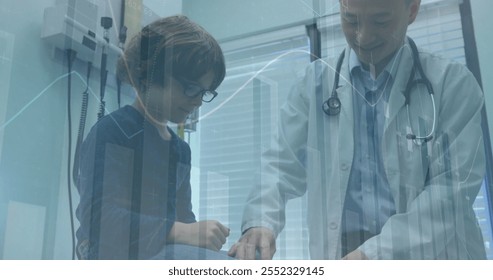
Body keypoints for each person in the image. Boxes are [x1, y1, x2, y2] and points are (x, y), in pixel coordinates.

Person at [229, 0, 486, 260]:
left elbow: (449, 194)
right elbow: (280, 165)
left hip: (430, 255)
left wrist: (370, 256)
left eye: (381, 21)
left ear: (412, 10)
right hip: (342, 252)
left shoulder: (453, 85)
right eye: (351, 20)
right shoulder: (313, 84)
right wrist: (260, 222)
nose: (363, 36)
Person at [75, 15, 233, 260]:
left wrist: (200, 239)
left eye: (205, 92)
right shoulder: (114, 131)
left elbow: (183, 219)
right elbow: (97, 219)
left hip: (157, 252)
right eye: (191, 88)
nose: (198, 101)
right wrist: (181, 232)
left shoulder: (180, 150)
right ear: (149, 75)